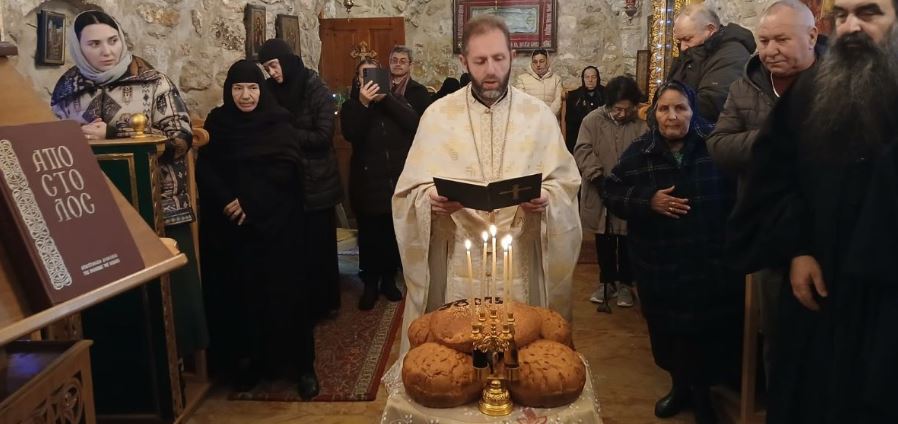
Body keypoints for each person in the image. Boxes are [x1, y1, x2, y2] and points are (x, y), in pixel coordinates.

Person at [726, 0, 898, 420]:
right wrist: (797, 248)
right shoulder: (811, 91)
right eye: (841, 15)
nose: (851, 26)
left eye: (869, 13)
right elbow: (775, 176)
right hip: (818, 289)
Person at [393, 14, 582, 354]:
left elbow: (565, 183)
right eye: (480, 61)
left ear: (513, 56)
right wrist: (428, 200)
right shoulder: (437, 116)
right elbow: (408, 191)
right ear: (463, 61)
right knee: (460, 357)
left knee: (520, 355)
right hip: (458, 259)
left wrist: (548, 198)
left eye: (499, 58)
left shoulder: (538, 116)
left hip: (520, 256)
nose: (491, 70)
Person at [50, 10, 208, 359]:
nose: (106, 51)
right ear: (78, 47)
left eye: (112, 41)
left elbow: (180, 138)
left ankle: (175, 367)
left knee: (169, 303)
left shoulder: (153, 83)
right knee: (114, 308)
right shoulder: (66, 90)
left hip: (159, 205)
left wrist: (115, 132)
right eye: (94, 44)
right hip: (97, 212)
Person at [602, 81, 741, 424]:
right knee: (669, 334)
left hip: (710, 263)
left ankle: (704, 397)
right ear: (654, 113)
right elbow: (612, 191)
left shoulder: (715, 145)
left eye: (680, 108)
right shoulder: (640, 152)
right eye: (664, 109)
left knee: (707, 335)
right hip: (660, 264)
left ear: (693, 111)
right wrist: (647, 200)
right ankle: (680, 388)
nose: (672, 116)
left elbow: (741, 192)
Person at [706, 0, 822, 383]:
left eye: (781, 40)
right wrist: (774, 139)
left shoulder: (836, 84)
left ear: (811, 36)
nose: (770, 50)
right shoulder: (746, 86)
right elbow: (719, 145)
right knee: (779, 338)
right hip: (769, 229)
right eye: (764, 40)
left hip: (825, 230)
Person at [198, 60, 318, 398]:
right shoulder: (219, 123)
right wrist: (227, 200)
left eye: (252, 88)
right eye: (238, 88)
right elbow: (206, 167)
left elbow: (287, 170)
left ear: (262, 90)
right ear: (229, 90)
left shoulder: (279, 121)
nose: (246, 95)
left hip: (278, 228)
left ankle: (302, 367)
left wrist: (250, 202)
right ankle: (250, 363)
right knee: (243, 297)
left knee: (286, 297)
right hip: (235, 231)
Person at [258, 39, 342, 321]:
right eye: (267, 68)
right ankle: (301, 303)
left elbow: (322, 136)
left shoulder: (314, 87)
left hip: (318, 181)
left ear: (285, 61)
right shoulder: (270, 90)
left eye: (274, 66)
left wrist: (284, 134)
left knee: (320, 247)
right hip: (287, 183)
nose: (272, 73)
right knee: (296, 248)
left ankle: (325, 303)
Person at [341, 59, 420, 310]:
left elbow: (413, 124)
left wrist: (387, 99)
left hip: (394, 182)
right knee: (369, 236)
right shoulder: (352, 107)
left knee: (391, 235)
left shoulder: (396, 101)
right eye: (364, 75)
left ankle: (388, 280)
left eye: (374, 74)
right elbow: (352, 133)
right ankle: (370, 284)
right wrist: (364, 104)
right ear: (358, 81)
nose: (370, 79)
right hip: (367, 183)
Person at [574, 76, 646, 308]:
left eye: (627, 109)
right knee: (603, 237)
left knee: (626, 238)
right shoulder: (592, 120)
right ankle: (606, 282)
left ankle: (625, 283)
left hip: (628, 191)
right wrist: (598, 178)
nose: (622, 114)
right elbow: (583, 150)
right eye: (618, 109)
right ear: (609, 104)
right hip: (599, 188)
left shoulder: (641, 125)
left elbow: (645, 154)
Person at [668, 4, 756, 122]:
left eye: (687, 39)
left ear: (710, 29)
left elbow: (710, 104)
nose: (683, 47)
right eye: (680, 41)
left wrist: (665, 113)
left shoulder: (732, 54)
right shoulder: (691, 52)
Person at [565, 66, 606, 153]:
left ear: (598, 78)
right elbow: (570, 127)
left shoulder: (606, 94)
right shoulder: (574, 97)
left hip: (602, 138)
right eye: (587, 77)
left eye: (593, 77)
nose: (590, 80)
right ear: (583, 79)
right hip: (581, 137)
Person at [514, 49, 563, 118]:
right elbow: (521, 100)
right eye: (535, 62)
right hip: (530, 119)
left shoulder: (556, 79)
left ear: (547, 62)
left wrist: (547, 116)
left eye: (541, 61)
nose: (538, 65)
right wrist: (535, 117)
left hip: (550, 120)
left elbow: (558, 101)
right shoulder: (522, 79)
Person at [387, 45, 432, 115]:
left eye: (402, 61)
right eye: (394, 61)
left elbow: (424, 118)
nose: (398, 64)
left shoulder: (419, 91)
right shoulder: (380, 86)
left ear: (410, 65)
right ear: (390, 63)